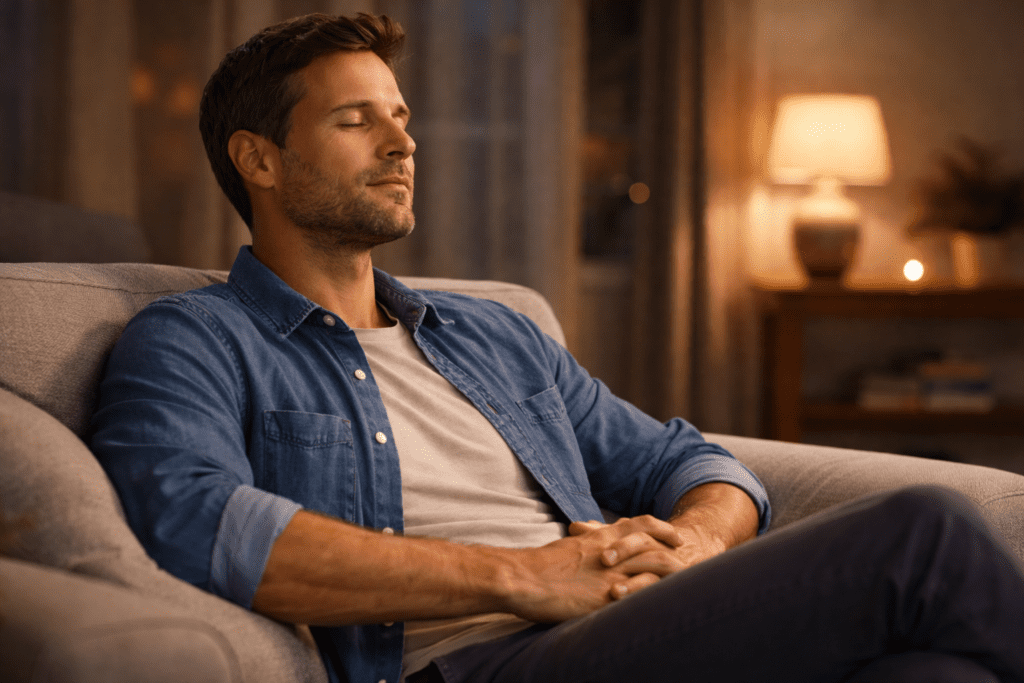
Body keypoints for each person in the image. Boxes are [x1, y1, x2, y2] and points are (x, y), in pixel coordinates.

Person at [90, 12, 1024, 683]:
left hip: (623, 628)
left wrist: (694, 548)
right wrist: (529, 576)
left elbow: (691, 459)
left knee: (936, 668)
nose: (401, 142)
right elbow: (197, 523)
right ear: (257, 159)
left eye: (401, 117)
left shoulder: (494, 336)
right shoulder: (194, 340)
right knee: (926, 527)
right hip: (470, 660)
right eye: (355, 120)